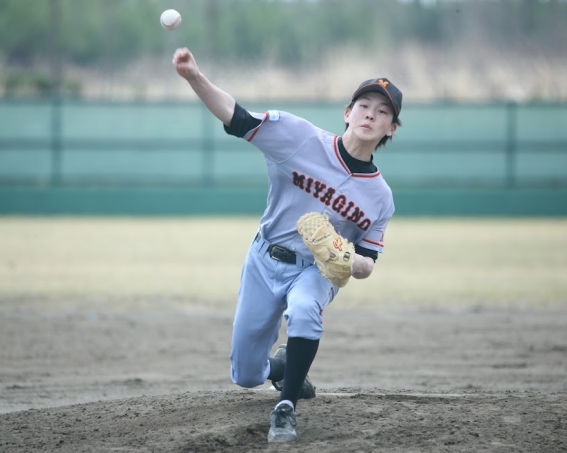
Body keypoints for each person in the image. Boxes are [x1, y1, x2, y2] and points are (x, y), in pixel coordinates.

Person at [172, 47, 402, 443]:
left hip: (316, 271)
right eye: (364, 106)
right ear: (347, 113)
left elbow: (367, 262)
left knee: (305, 309)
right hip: (264, 260)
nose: (370, 115)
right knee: (246, 375)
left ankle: (286, 406)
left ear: (391, 129)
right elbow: (236, 116)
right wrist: (193, 76)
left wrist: (347, 258)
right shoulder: (299, 137)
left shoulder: (380, 197)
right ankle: (283, 368)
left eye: (382, 112)